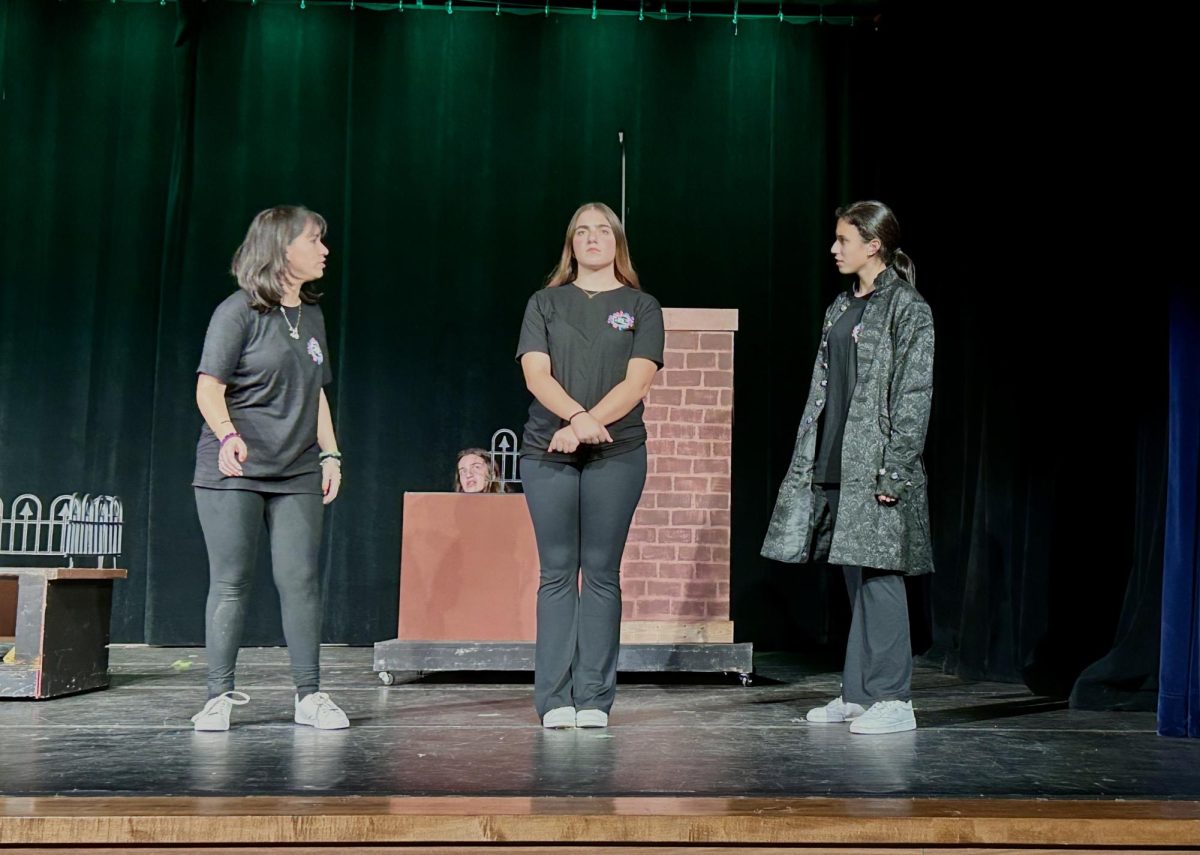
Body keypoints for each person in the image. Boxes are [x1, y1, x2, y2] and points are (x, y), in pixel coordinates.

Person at [762, 200, 934, 735]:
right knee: (856, 579)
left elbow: (914, 393)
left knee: (881, 578)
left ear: (872, 245)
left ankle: (894, 700)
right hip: (836, 457)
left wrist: (896, 468)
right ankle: (859, 694)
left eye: (843, 240)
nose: (834, 250)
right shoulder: (840, 307)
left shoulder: (907, 307)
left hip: (878, 464)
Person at [190, 205, 349, 732]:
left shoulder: (312, 315)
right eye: (315, 240)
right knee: (231, 581)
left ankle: (310, 695)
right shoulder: (236, 312)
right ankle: (217, 695)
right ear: (282, 249)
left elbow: (318, 394)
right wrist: (228, 437)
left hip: (298, 466)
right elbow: (208, 387)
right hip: (235, 466)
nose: (324, 249)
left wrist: (330, 454)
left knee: (300, 580)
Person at [516, 202, 664, 729]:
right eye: (582, 231)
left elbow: (637, 382)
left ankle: (594, 700)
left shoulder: (642, 306)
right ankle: (554, 700)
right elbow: (536, 374)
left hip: (617, 453)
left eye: (603, 230)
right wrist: (577, 418)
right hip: (546, 451)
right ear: (571, 244)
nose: (592, 238)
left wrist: (587, 424)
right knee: (557, 573)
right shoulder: (545, 302)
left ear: (617, 242)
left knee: (601, 575)